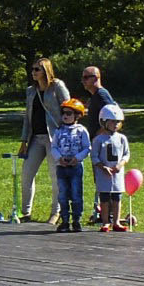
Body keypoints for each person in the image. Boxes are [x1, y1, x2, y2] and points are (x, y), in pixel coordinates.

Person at [18, 56, 70, 223]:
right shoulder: (31, 91)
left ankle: (56, 212)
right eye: (32, 69)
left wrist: (66, 134)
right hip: (36, 137)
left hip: (54, 138)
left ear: (46, 71)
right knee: (27, 174)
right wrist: (24, 140)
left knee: (55, 176)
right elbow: (27, 117)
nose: (33, 72)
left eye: (37, 69)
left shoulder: (57, 87)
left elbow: (69, 109)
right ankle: (25, 213)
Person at [81, 64, 117, 221]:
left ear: (95, 78)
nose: (83, 81)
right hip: (99, 143)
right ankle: (105, 213)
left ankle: (110, 214)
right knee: (100, 178)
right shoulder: (96, 96)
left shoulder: (102, 95)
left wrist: (99, 134)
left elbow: (114, 114)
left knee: (105, 178)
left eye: (86, 77)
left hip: (103, 144)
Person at [50, 97, 91, 233]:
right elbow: (54, 147)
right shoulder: (58, 131)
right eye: (63, 113)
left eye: (69, 113)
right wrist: (59, 158)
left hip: (75, 167)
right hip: (61, 167)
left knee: (76, 194)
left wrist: (77, 158)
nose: (65, 116)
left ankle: (76, 220)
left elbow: (87, 148)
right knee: (62, 194)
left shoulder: (81, 130)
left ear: (77, 116)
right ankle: (65, 220)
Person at [91, 104, 130, 232]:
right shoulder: (98, 140)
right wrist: (103, 167)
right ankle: (105, 221)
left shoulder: (122, 139)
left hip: (117, 174)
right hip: (104, 175)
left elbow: (126, 154)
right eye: (112, 121)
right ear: (104, 122)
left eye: (118, 122)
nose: (115, 124)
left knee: (117, 198)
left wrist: (120, 165)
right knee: (104, 198)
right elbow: (94, 156)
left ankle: (116, 221)